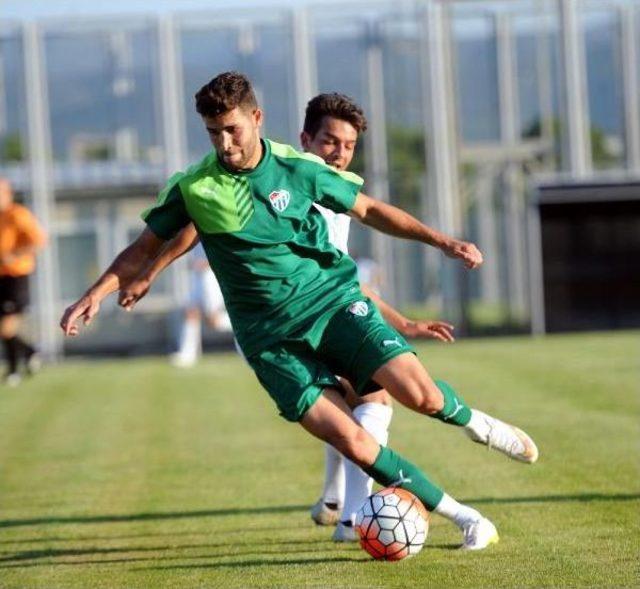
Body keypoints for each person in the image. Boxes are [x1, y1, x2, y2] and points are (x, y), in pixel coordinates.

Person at [61, 71, 538, 551]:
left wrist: (443, 241)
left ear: (257, 119)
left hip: (332, 304)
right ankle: (467, 519)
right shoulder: (195, 187)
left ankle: (479, 425)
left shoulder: (297, 168)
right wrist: (99, 291)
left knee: (421, 397)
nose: (224, 143)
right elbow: (156, 242)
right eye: (213, 132)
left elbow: (369, 210)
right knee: (353, 440)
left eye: (233, 130)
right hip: (270, 342)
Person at [119, 92, 458, 542]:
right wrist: (149, 271)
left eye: (348, 145)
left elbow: (343, 273)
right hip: (272, 324)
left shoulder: (335, 188)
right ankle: (353, 515)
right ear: (305, 141)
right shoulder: (283, 176)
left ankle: (339, 502)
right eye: (328, 142)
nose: (337, 153)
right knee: (367, 401)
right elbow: (195, 224)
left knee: (355, 405)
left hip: (317, 310)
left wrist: (402, 321)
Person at [0, 179, 46, 386]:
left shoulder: (17, 214)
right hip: (1, 278)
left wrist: (14, 255)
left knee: (7, 327)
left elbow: (39, 240)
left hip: (16, 278)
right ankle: (29, 352)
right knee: (4, 328)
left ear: (8, 193)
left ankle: (13, 371)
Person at [170, 242, 231, 367]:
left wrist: (206, 263)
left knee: (214, 321)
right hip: (197, 275)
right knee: (191, 312)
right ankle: (187, 354)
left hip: (210, 275)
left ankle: (249, 324)